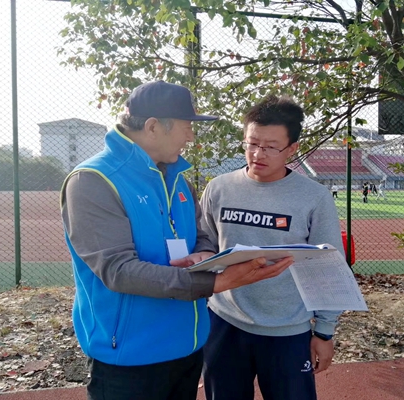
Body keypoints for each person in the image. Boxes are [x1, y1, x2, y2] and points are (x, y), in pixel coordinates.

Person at [60, 81, 294, 400]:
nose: (191, 137)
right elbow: (118, 271)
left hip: (187, 348)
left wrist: (205, 254)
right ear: (153, 127)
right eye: (186, 127)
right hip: (130, 359)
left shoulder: (178, 179)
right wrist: (216, 282)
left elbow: (200, 235)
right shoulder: (93, 181)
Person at [199, 95, 344, 400]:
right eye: (252, 143)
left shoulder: (314, 197)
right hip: (224, 322)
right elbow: (205, 246)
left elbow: (328, 267)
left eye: (271, 147)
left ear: (292, 149)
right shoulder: (219, 188)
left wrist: (324, 331)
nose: (258, 154)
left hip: (287, 330)